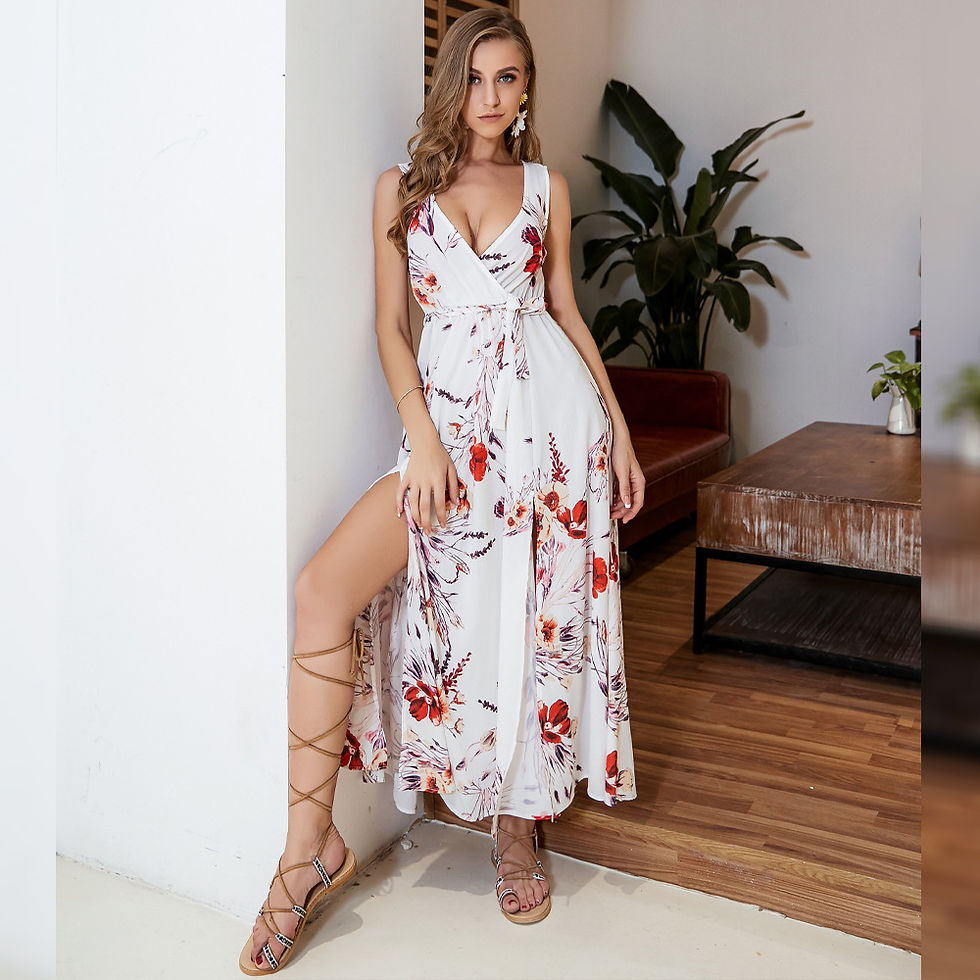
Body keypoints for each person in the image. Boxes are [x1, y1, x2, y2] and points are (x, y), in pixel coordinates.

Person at [240, 7, 644, 974]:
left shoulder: (546, 186)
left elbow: (565, 315)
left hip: (551, 437)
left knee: (532, 624)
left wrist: (620, 430)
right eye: (476, 77)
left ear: (526, 88)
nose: (492, 98)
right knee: (321, 594)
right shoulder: (402, 186)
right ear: (449, 81)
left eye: (510, 79)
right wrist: (422, 438)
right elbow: (392, 327)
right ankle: (307, 851)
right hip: (448, 446)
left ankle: (517, 828)